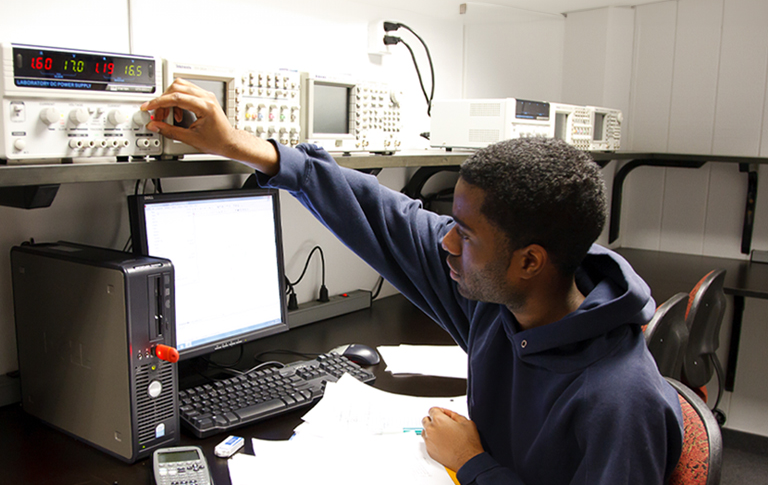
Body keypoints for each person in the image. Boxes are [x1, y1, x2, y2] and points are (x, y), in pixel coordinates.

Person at [141, 80, 684, 484]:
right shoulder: (505, 304)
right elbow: (383, 215)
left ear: (530, 261)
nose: (445, 243)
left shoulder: (618, 402)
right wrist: (239, 144)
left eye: (465, 236)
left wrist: (473, 464)